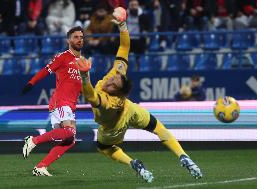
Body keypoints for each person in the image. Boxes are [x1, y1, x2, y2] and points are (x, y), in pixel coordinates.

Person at [76, 7, 202, 183]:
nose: (110, 81)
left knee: (104, 147)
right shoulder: (118, 73)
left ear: (117, 92)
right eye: (113, 79)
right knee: (159, 128)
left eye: (113, 85)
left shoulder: (108, 101)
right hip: (131, 108)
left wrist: (84, 77)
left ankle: (135, 162)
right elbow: (125, 46)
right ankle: (182, 155)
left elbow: (90, 97)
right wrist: (123, 26)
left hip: (113, 125)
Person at [21, 26, 84, 176]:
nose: (80, 40)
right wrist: (31, 83)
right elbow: (45, 70)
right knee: (69, 133)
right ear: (69, 40)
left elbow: (82, 86)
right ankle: (34, 141)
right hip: (61, 101)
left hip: (71, 104)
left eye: (81, 37)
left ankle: (41, 166)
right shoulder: (63, 57)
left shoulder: (82, 62)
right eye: (76, 37)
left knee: (69, 140)